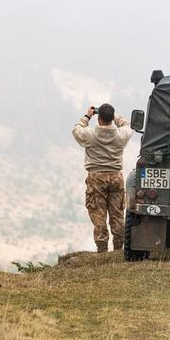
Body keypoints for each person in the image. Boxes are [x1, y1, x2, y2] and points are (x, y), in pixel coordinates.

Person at [72, 103, 134, 252]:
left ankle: (102, 250)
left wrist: (87, 116)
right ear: (111, 118)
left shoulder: (90, 135)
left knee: (98, 215)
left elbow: (76, 130)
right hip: (116, 177)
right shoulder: (121, 135)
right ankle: (119, 249)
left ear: (98, 119)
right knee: (117, 214)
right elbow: (128, 125)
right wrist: (115, 116)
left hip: (96, 178)